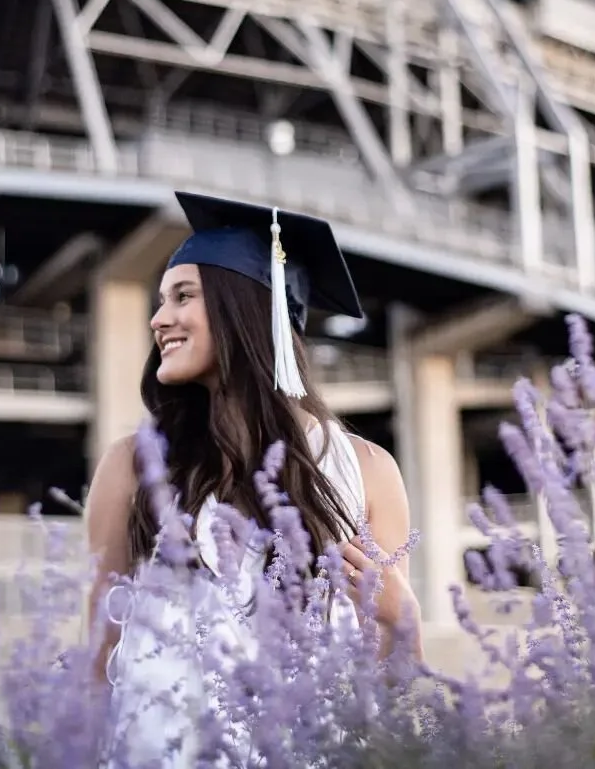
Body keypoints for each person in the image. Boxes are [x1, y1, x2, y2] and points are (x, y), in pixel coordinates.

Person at [83, 191, 422, 767]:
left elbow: (383, 698)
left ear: (246, 309)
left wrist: (404, 620)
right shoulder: (133, 467)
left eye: (183, 296)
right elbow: (98, 658)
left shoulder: (365, 472)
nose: (159, 319)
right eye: (161, 299)